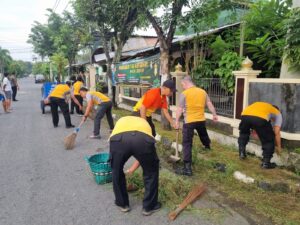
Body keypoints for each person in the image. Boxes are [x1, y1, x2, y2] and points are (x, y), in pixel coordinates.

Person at [109, 116, 160, 215]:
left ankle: (122, 204)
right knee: (151, 172)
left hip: (119, 139)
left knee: (116, 170)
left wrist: (131, 169)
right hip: (143, 140)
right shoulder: (146, 124)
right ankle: (149, 207)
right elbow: (142, 156)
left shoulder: (121, 120)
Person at [126, 79, 176, 174]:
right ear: (164, 88)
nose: (172, 92)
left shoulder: (163, 97)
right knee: (144, 141)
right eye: (171, 90)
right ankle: (138, 164)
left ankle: (151, 159)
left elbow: (165, 111)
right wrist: (144, 124)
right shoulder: (154, 93)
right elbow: (142, 108)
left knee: (151, 137)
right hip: (138, 114)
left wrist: (173, 123)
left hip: (146, 116)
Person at [174, 76, 218, 176]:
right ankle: (207, 146)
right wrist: (214, 114)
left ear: (185, 83)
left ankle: (187, 168)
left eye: (182, 85)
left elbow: (180, 109)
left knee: (187, 143)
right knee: (203, 134)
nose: (183, 87)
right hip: (201, 119)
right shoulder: (202, 92)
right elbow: (209, 104)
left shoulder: (184, 94)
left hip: (189, 121)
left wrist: (176, 121)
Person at [238, 102, 282, 169]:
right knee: (269, 140)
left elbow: (254, 120)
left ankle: (242, 153)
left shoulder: (263, 107)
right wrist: (279, 147)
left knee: (243, 133)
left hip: (244, 115)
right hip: (258, 118)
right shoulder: (278, 113)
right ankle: (266, 163)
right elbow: (276, 133)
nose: (273, 121)